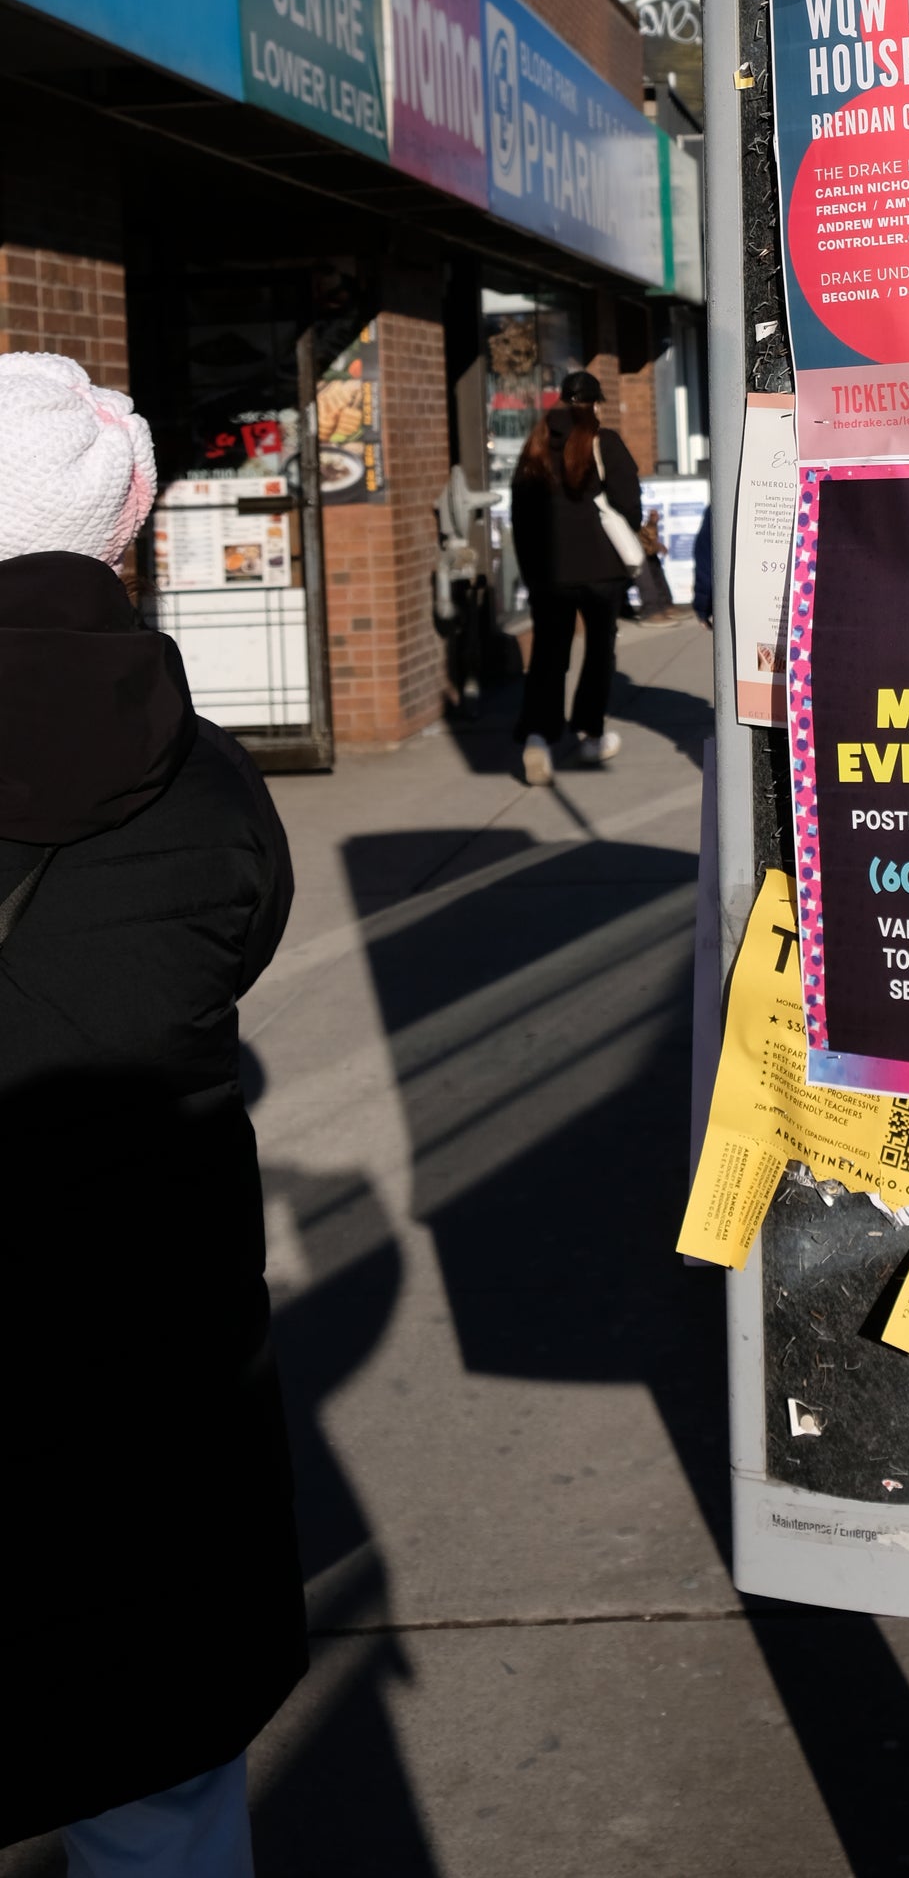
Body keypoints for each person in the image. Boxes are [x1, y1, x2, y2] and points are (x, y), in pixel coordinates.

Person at [0, 352, 305, 1872]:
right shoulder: (205, 783)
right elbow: (239, 936)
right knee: (163, 1807)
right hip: (149, 1389)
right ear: (116, 536)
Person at [509, 368, 644, 782]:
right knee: (600, 651)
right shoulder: (606, 442)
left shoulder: (534, 446)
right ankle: (590, 734)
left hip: (550, 573)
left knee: (549, 655)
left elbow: (521, 518)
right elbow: (630, 508)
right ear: (595, 403)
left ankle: (537, 739)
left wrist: (533, 575)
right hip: (602, 571)